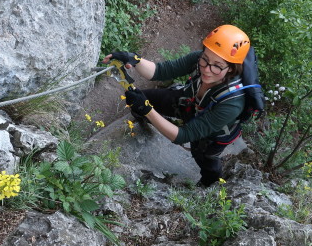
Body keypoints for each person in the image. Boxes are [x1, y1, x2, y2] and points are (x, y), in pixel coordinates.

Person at [103, 24, 251, 187]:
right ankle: (148, 119)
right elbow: (161, 71)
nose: (207, 70)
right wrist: (134, 59)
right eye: (205, 59)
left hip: (213, 134)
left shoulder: (233, 103)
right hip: (189, 103)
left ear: (231, 69)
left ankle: (210, 182)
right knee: (145, 98)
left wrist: (148, 110)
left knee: (203, 155)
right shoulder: (199, 60)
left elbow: (183, 136)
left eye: (217, 66)